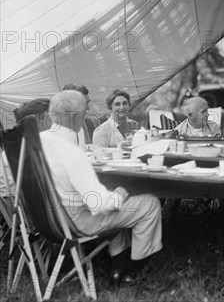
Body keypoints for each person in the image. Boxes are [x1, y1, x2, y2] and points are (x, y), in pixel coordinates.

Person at [43, 91, 162, 284]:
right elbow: (100, 205)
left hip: (45, 219)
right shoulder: (74, 152)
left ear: (52, 114)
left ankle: (118, 262)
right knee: (148, 203)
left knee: (114, 205)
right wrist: (120, 195)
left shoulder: (35, 142)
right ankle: (135, 268)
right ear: (80, 116)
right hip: (76, 222)